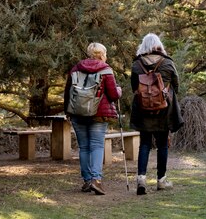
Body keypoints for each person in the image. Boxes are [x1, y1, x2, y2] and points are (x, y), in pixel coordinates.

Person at [64, 42, 122, 195]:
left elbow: (67, 92)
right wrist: (119, 91)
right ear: (102, 54)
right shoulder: (106, 70)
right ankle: (96, 180)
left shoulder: (75, 69)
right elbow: (113, 95)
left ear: (89, 53)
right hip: (99, 114)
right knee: (96, 145)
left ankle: (87, 180)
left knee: (84, 147)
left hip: (77, 112)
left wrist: (68, 111)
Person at [130, 33, 183, 195]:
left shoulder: (137, 64)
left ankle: (141, 179)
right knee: (162, 145)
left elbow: (134, 88)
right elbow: (177, 86)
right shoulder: (167, 63)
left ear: (143, 46)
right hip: (164, 110)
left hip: (143, 109)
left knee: (144, 144)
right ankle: (161, 180)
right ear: (159, 45)